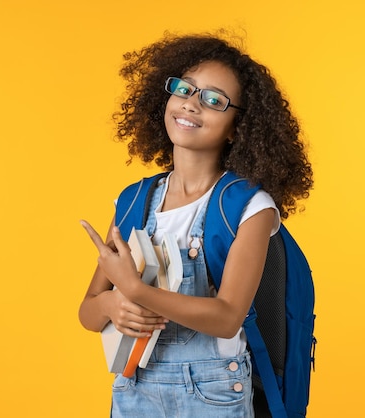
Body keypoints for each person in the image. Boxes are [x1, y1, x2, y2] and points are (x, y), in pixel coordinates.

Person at [78, 32, 312, 418]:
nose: (191, 104)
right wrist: (111, 303)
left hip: (214, 393)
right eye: (185, 89)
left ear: (238, 126)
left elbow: (226, 317)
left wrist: (136, 289)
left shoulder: (250, 207)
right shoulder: (133, 201)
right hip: (134, 389)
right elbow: (87, 313)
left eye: (213, 100)